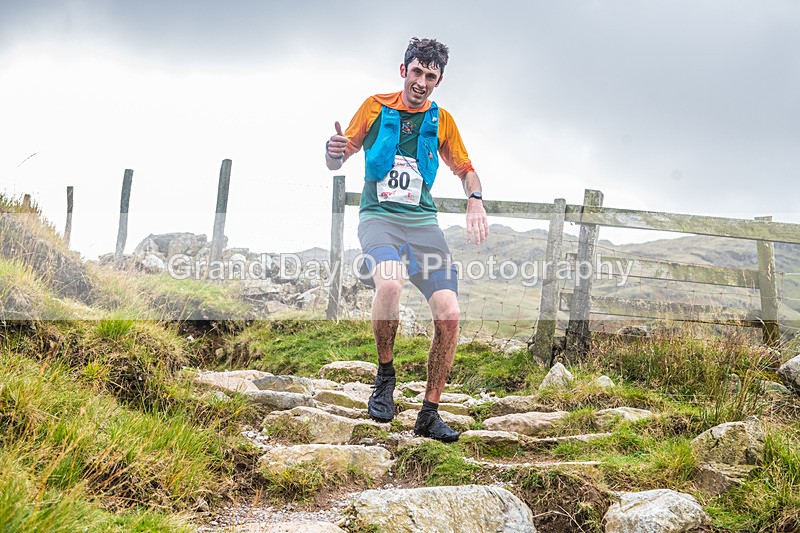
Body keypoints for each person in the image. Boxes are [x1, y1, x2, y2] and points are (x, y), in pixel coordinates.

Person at [325, 37, 488, 442]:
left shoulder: (443, 120)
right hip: (379, 217)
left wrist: (475, 198)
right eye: (417, 72)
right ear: (404, 71)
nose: (422, 82)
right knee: (391, 282)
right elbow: (338, 156)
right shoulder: (374, 106)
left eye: (431, 76)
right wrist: (332, 151)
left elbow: (467, 169)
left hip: (422, 224)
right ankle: (385, 377)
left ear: (439, 80)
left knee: (449, 313)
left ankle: (429, 413)